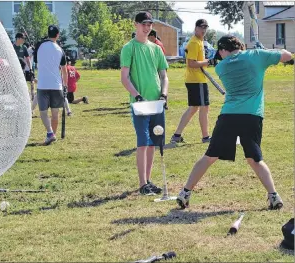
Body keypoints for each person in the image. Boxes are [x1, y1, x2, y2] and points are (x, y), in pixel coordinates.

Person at [176, 35, 292, 210]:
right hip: (252, 116)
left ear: (223, 50)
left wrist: (261, 54)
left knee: (209, 156)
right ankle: (274, 196)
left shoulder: (222, 67)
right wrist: (267, 52)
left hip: (228, 116)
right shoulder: (257, 55)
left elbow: (239, 61)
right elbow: (287, 55)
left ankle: (185, 193)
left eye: (219, 52)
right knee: (255, 159)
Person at [120, 12, 169, 195]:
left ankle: (148, 180)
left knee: (153, 142)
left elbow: (164, 75)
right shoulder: (129, 48)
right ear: (136, 25)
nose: (147, 27)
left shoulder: (156, 49)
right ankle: (142, 184)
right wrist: (137, 95)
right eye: (144, 24)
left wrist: (164, 94)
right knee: (142, 142)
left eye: (149, 24)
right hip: (140, 104)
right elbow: (124, 78)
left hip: (157, 103)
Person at [170, 19, 212, 144]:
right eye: (201, 27)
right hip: (196, 80)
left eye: (205, 27)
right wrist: (207, 62)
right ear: (196, 28)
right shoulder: (194, 43)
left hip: (197, 79)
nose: (203, 30)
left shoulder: (200, 41)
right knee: (203, 107)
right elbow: (191, 63)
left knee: (195, 108)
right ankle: (205, 137)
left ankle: (177, 135)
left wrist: (205, 61)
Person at [34, 25, 68, 145]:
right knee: (55, 113)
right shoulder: (60, 50)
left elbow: (36, 61)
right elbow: (64, 70)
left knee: (43, 112)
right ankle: (52, 134)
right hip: (56, 85)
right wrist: (65, 86)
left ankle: (50, 133)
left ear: (48, 33)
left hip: (42, 84)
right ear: (58, 35)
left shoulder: (39, 45)